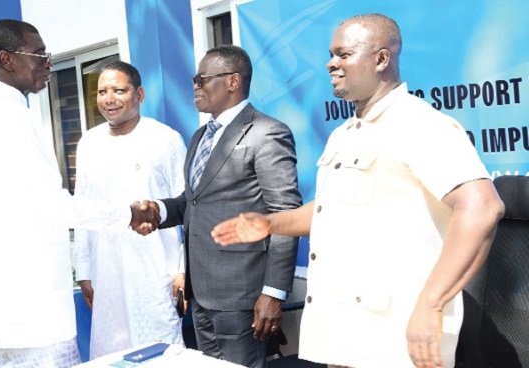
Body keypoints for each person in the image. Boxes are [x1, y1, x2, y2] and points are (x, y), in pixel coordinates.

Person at [211, 14, 505, 368]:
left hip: (398, 341)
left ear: (381, 59)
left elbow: (482, 207)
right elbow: (332, 209)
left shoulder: (418, 124)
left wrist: (432, 303)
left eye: (343, 54)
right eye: (331, 54)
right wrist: (273, 224)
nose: (330, 63)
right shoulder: (346, 133)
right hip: (347, 336)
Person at [133, 45, 302, 368]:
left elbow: (286, 218)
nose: (194, 86)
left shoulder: (266, 133)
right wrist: (158, 211)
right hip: (201, 294)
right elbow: (193, 202)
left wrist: (274, 293)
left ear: (232, 82)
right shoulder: (199, 137)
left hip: (243, 297)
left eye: (202, 79)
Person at [0, 19, 82, 367]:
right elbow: (52, 206)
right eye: (38, 54)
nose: (47, 63)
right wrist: (129, 214)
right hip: (30, 306)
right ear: (7, 59)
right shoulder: (4, 118)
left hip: (13, 304)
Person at [72, 60, 187, 359]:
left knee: (164, 352)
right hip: (106, 272)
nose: (109, 99)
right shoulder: (89, 143)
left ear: (140, 94)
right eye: (102, 92)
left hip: (156, 270)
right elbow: (82, 210)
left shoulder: (165, 139)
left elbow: (189, 207)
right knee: (113, 355)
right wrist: (84, 273)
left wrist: (183, 270)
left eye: (119, 90)